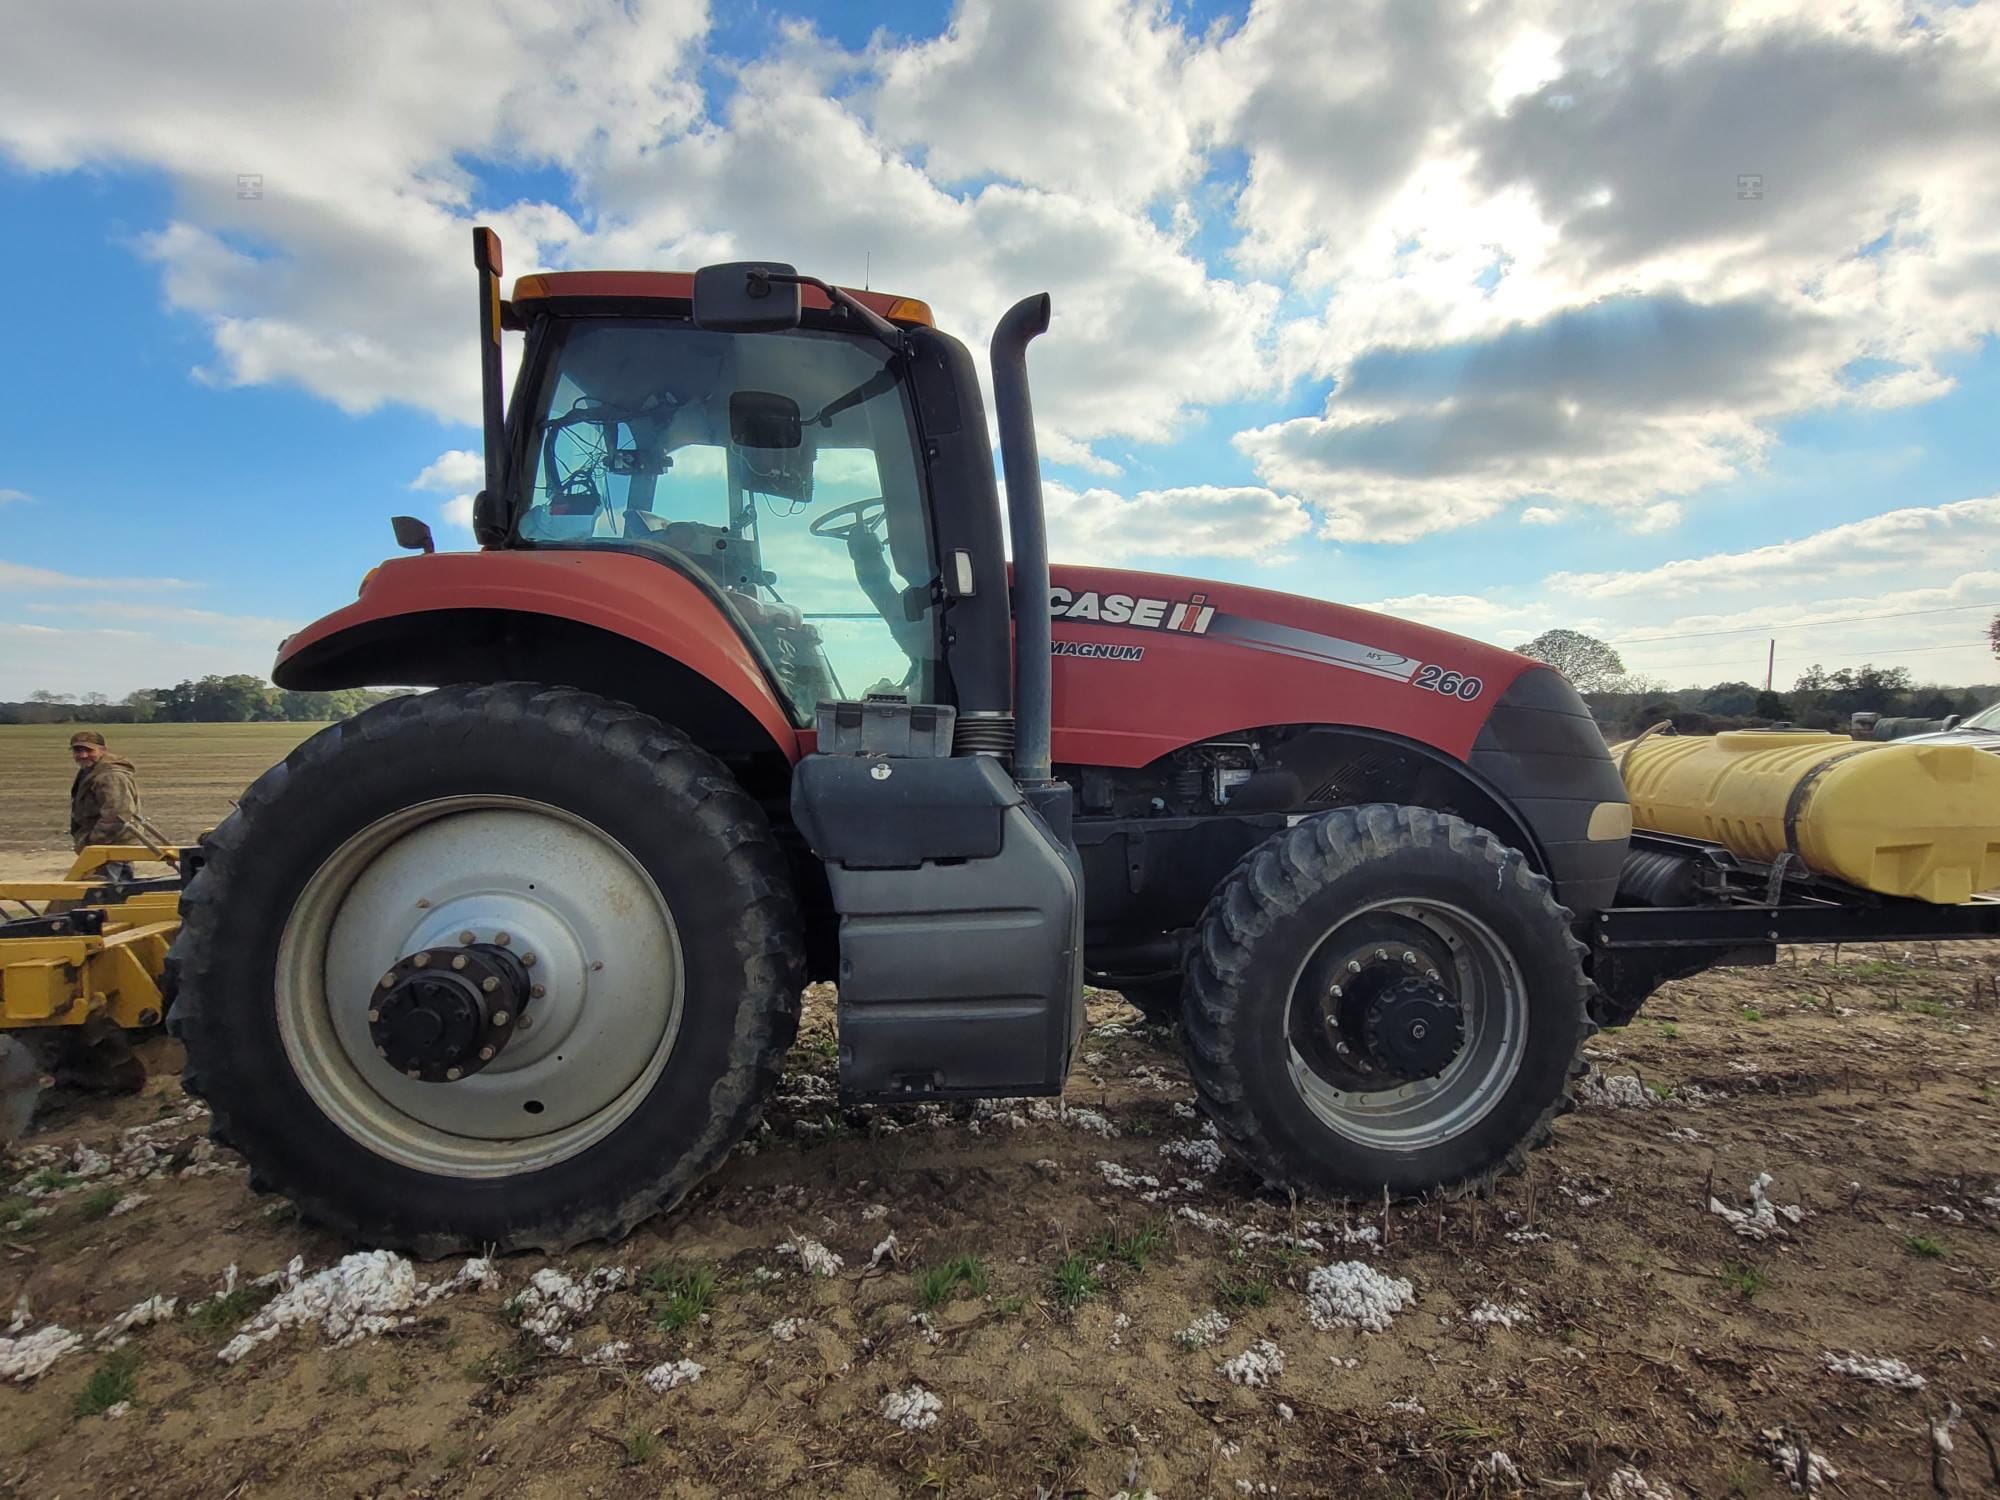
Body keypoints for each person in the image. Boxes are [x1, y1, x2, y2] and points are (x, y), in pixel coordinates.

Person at [68, 731, 143, 882]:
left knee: (102, 892)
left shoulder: (110, 776)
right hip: (108, 845)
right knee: (118, 890)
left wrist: (93, 841)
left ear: (103, 750)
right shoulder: (91, 770)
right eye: (78, 750)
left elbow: (117, 814)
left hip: (111, 845)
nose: (83, 755)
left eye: (89, 750)